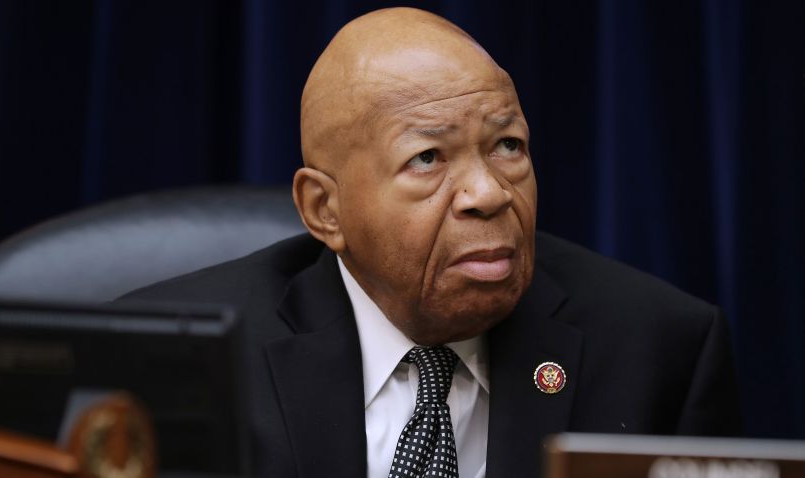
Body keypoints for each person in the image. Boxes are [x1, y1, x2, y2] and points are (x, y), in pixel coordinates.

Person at [122, 7, 740, 478]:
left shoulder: (660, 349)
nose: (488, 193)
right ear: (324, 208)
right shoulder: (174, 361)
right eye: (427, 157)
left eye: (508, 146)